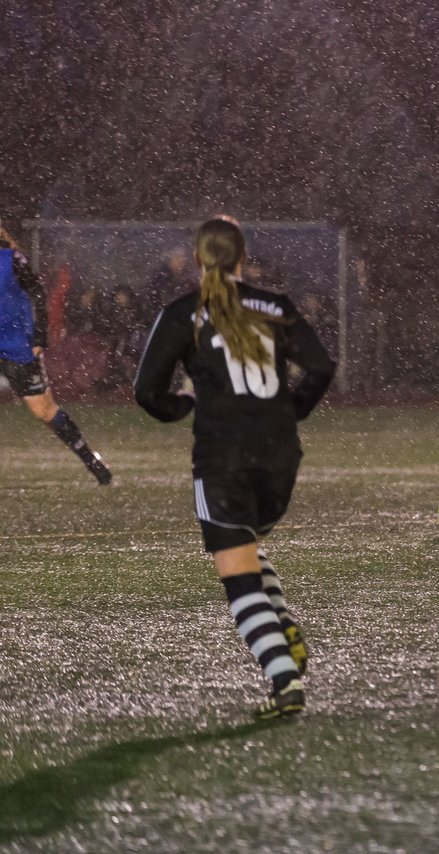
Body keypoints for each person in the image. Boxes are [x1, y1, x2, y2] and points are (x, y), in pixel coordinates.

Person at [134, 216, 335, 719]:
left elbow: (146, 392)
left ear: (199, 259)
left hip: (224, 455)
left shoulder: (185, 312)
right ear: (244, 258)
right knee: (246, 544)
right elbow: (321, 367)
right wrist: (292, 408)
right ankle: (283, 623)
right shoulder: (277, 307)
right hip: (279, 454)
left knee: (236, 569)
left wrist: (180, 405)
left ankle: (285, 680)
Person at [0, 223, 112, 484]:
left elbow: (37, 292)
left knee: (45, 412)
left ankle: (90, 460)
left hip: (16, 344)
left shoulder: (11, 259)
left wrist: (39, 335)